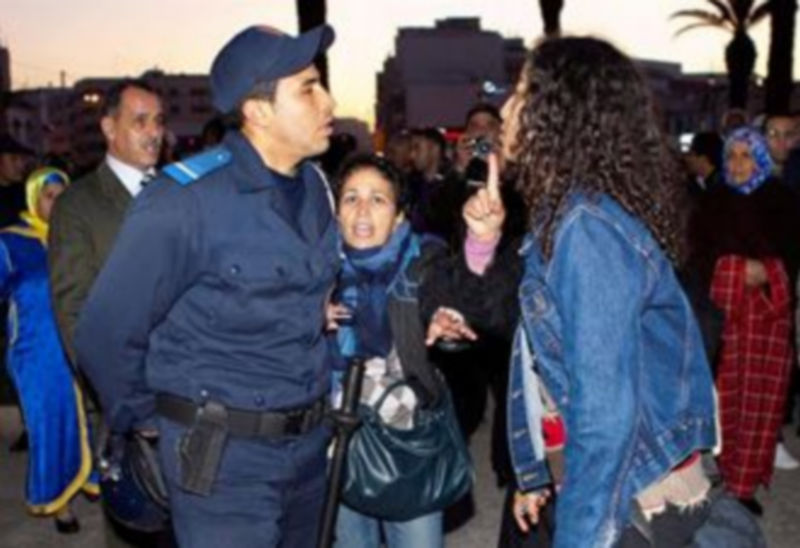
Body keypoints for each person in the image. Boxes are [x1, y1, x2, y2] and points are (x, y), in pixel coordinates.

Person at [74, 24, 338, 547]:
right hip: (222, 463)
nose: (327, 100)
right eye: (308, 88)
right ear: (258, 110)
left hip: (308, 452)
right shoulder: (185, 200)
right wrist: (151, 420)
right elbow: (104, 332)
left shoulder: (315, 188)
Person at [496, 38, 717, 546]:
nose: (507, 109)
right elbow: (544, 370)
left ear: (559, 113)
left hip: (631, 493)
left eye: (522, 93)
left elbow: (604, 415)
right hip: (603, 478)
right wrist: (536, 472)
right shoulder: (568, 217)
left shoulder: (585, 229)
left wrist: (579, 537)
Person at [47, 78, 168, 547]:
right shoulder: (79, 205)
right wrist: (122, 397)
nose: (153, 132)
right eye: (139, 121)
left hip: (190, 391)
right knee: (134, 527)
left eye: (158, 121)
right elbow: (72, 310)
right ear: (108, 127)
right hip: (127, 400)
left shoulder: (177, 194)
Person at [327, 154, 446, 548]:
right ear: (335, 210)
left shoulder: (423, 262)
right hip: (336, 443)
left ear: (398, 216)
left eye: (378, 199)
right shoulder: (313, 272)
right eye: (351, 198)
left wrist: (447, 322)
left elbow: (451, 301)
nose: (362, 210)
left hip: (408, 442)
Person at [689, 127, 799, 514]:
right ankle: (717, 469)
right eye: (732, 155)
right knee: (722, 398)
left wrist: (768, 271)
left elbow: (792, 254)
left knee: (761, 401)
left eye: (746, 155)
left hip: (768, 319)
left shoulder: (782, 201)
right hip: (725, 317)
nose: (737, 163)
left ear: (760, 159)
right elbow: (697, 256)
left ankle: (743, 483)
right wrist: (735, 270)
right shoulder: (711, 202)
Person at [0, 167, 98, 533]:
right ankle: (59, 501)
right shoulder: (11, 243)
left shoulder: (76, 238)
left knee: (87, 419)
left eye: (62, 195)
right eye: (48, 195)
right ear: (32, 197)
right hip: (35, 354)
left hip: (80, 346)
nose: (56, 203)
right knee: (50, 424)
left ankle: (90, 479)